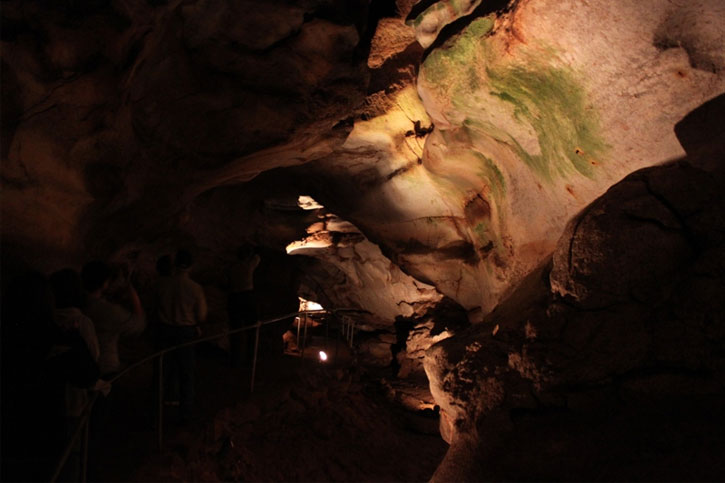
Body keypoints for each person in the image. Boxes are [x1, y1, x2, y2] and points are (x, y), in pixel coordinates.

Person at [156, 249, 207, 422]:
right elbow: (201, 315)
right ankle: (185, 413)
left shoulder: (162, 284)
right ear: (191, 266)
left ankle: (158, 410)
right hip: (185, 332)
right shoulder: (195, 288)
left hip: (164, 330)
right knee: (186, 371)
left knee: (163, 369)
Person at [82, 260, 145, 379]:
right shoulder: (108, 311)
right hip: (104, 369)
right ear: (105, 283)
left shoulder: (77, 304)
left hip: (79, 368)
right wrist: (132, 292)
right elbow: (138, 324)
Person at [227, 244, 260, 367]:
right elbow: (257, 258)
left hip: (234, 298)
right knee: (252, 328)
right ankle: (251, 360)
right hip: (246, 297)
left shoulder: (232, 267)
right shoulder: (248, 265)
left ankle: (235, 360)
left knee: (236, 330)